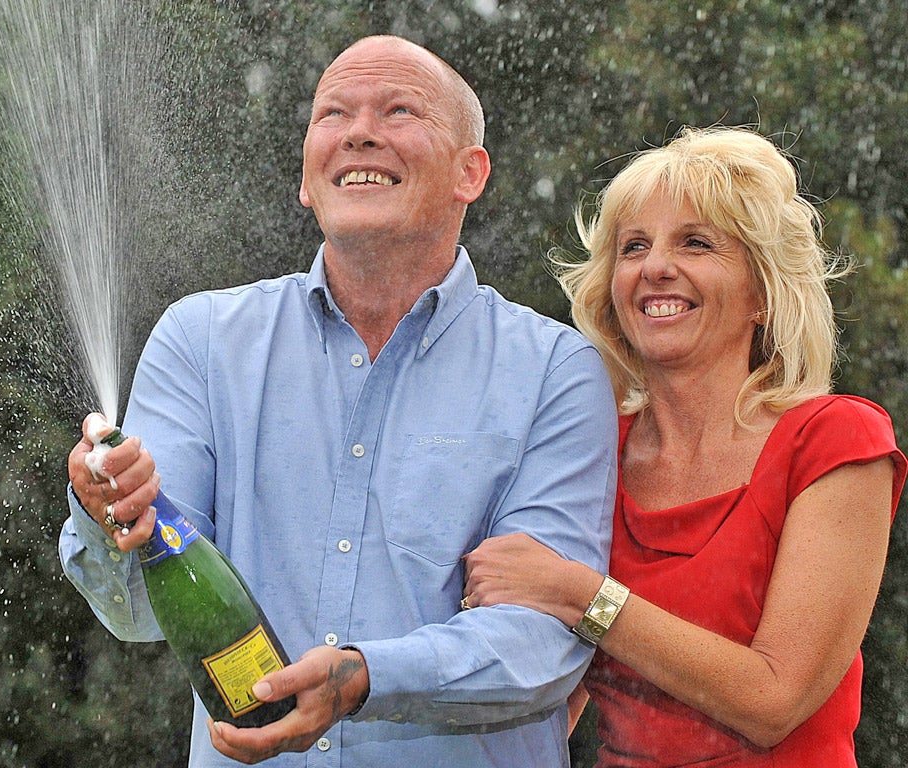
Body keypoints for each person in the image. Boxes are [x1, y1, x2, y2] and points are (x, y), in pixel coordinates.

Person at [59, 35, 618, 767]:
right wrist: (109, 518)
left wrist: (366, 678)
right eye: (334, 113)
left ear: (470, 172)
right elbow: (138, 610)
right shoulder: (199, 341)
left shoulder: (556, 371)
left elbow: (546, 642)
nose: (360, 131)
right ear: (305, 177)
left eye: (399, 110)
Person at [462, 126, 907, 767]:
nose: (655, 267)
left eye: (695, 243)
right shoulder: (590, 451)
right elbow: (550, 702)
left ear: (762, 292)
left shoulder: (834, 440)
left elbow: (774, 700)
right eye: (633, 246)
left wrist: (584, 596)